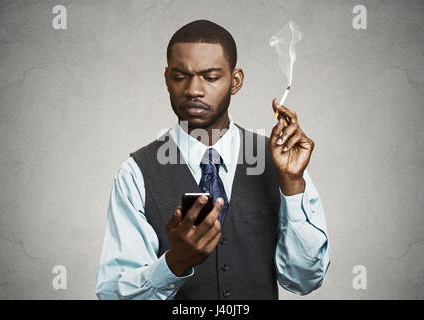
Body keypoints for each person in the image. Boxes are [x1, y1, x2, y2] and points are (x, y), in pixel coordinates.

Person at [95, 19, 330, 300]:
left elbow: (304, 281)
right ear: (167, 78)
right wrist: (174, 264)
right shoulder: (136, 173)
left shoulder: (279, 164)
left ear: (236, 81)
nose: (194, 89)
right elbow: (114, 296)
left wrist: (292, 185)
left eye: (210, 76)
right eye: (181, 76)